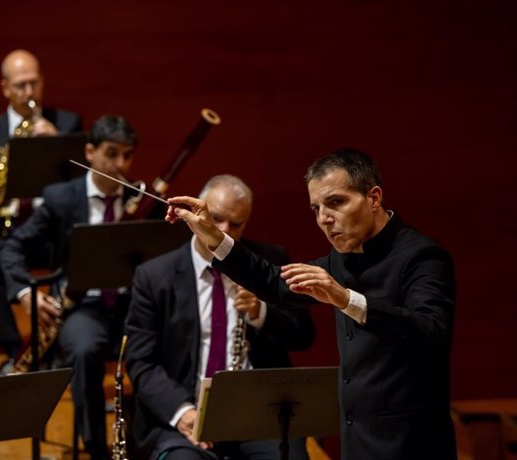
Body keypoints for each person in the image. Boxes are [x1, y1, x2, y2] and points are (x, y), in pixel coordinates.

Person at [166, 149, 457, 460]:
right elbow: (273, 283)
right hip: (357, 440)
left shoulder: (421, 256)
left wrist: (345, 298)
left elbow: (432, 330)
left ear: (374, 198)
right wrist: (212, 235)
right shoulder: (340, 260)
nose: (323, 219)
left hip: (410, 442)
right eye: (316, 208)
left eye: (336, 202)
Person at [125, 175, 316, 460]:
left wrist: (260, 312)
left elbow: (304, 336)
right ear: (195, 216)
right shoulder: (154, 276)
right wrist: (183, 413)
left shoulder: (268, 259)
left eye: (236, 224)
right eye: (216, 219)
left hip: (256, 414)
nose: (224, 231)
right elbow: (140, 361)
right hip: (186, 411)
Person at [0, 115, 150, 460]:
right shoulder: (60, 198)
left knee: (162, 344)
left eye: (127, 156)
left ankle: (148, 445)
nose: (120, 164)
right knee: (83, 350)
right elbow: (12, 248)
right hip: (83, 307)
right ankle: (96, 448)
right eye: (111, 154)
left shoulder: (141, 199)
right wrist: (26, 294)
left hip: (134, 308)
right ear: (89, 152)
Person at [0, 49, 82, 371]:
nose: (29, 93)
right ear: (5, 87)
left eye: (33, 83)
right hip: (9, 230)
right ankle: (15, 348)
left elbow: (81, 185)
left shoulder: (67, 123)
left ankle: (60, 343)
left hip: (53, 230)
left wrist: (57, 142)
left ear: (42, 81)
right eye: (20, 86)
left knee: (85, 250)